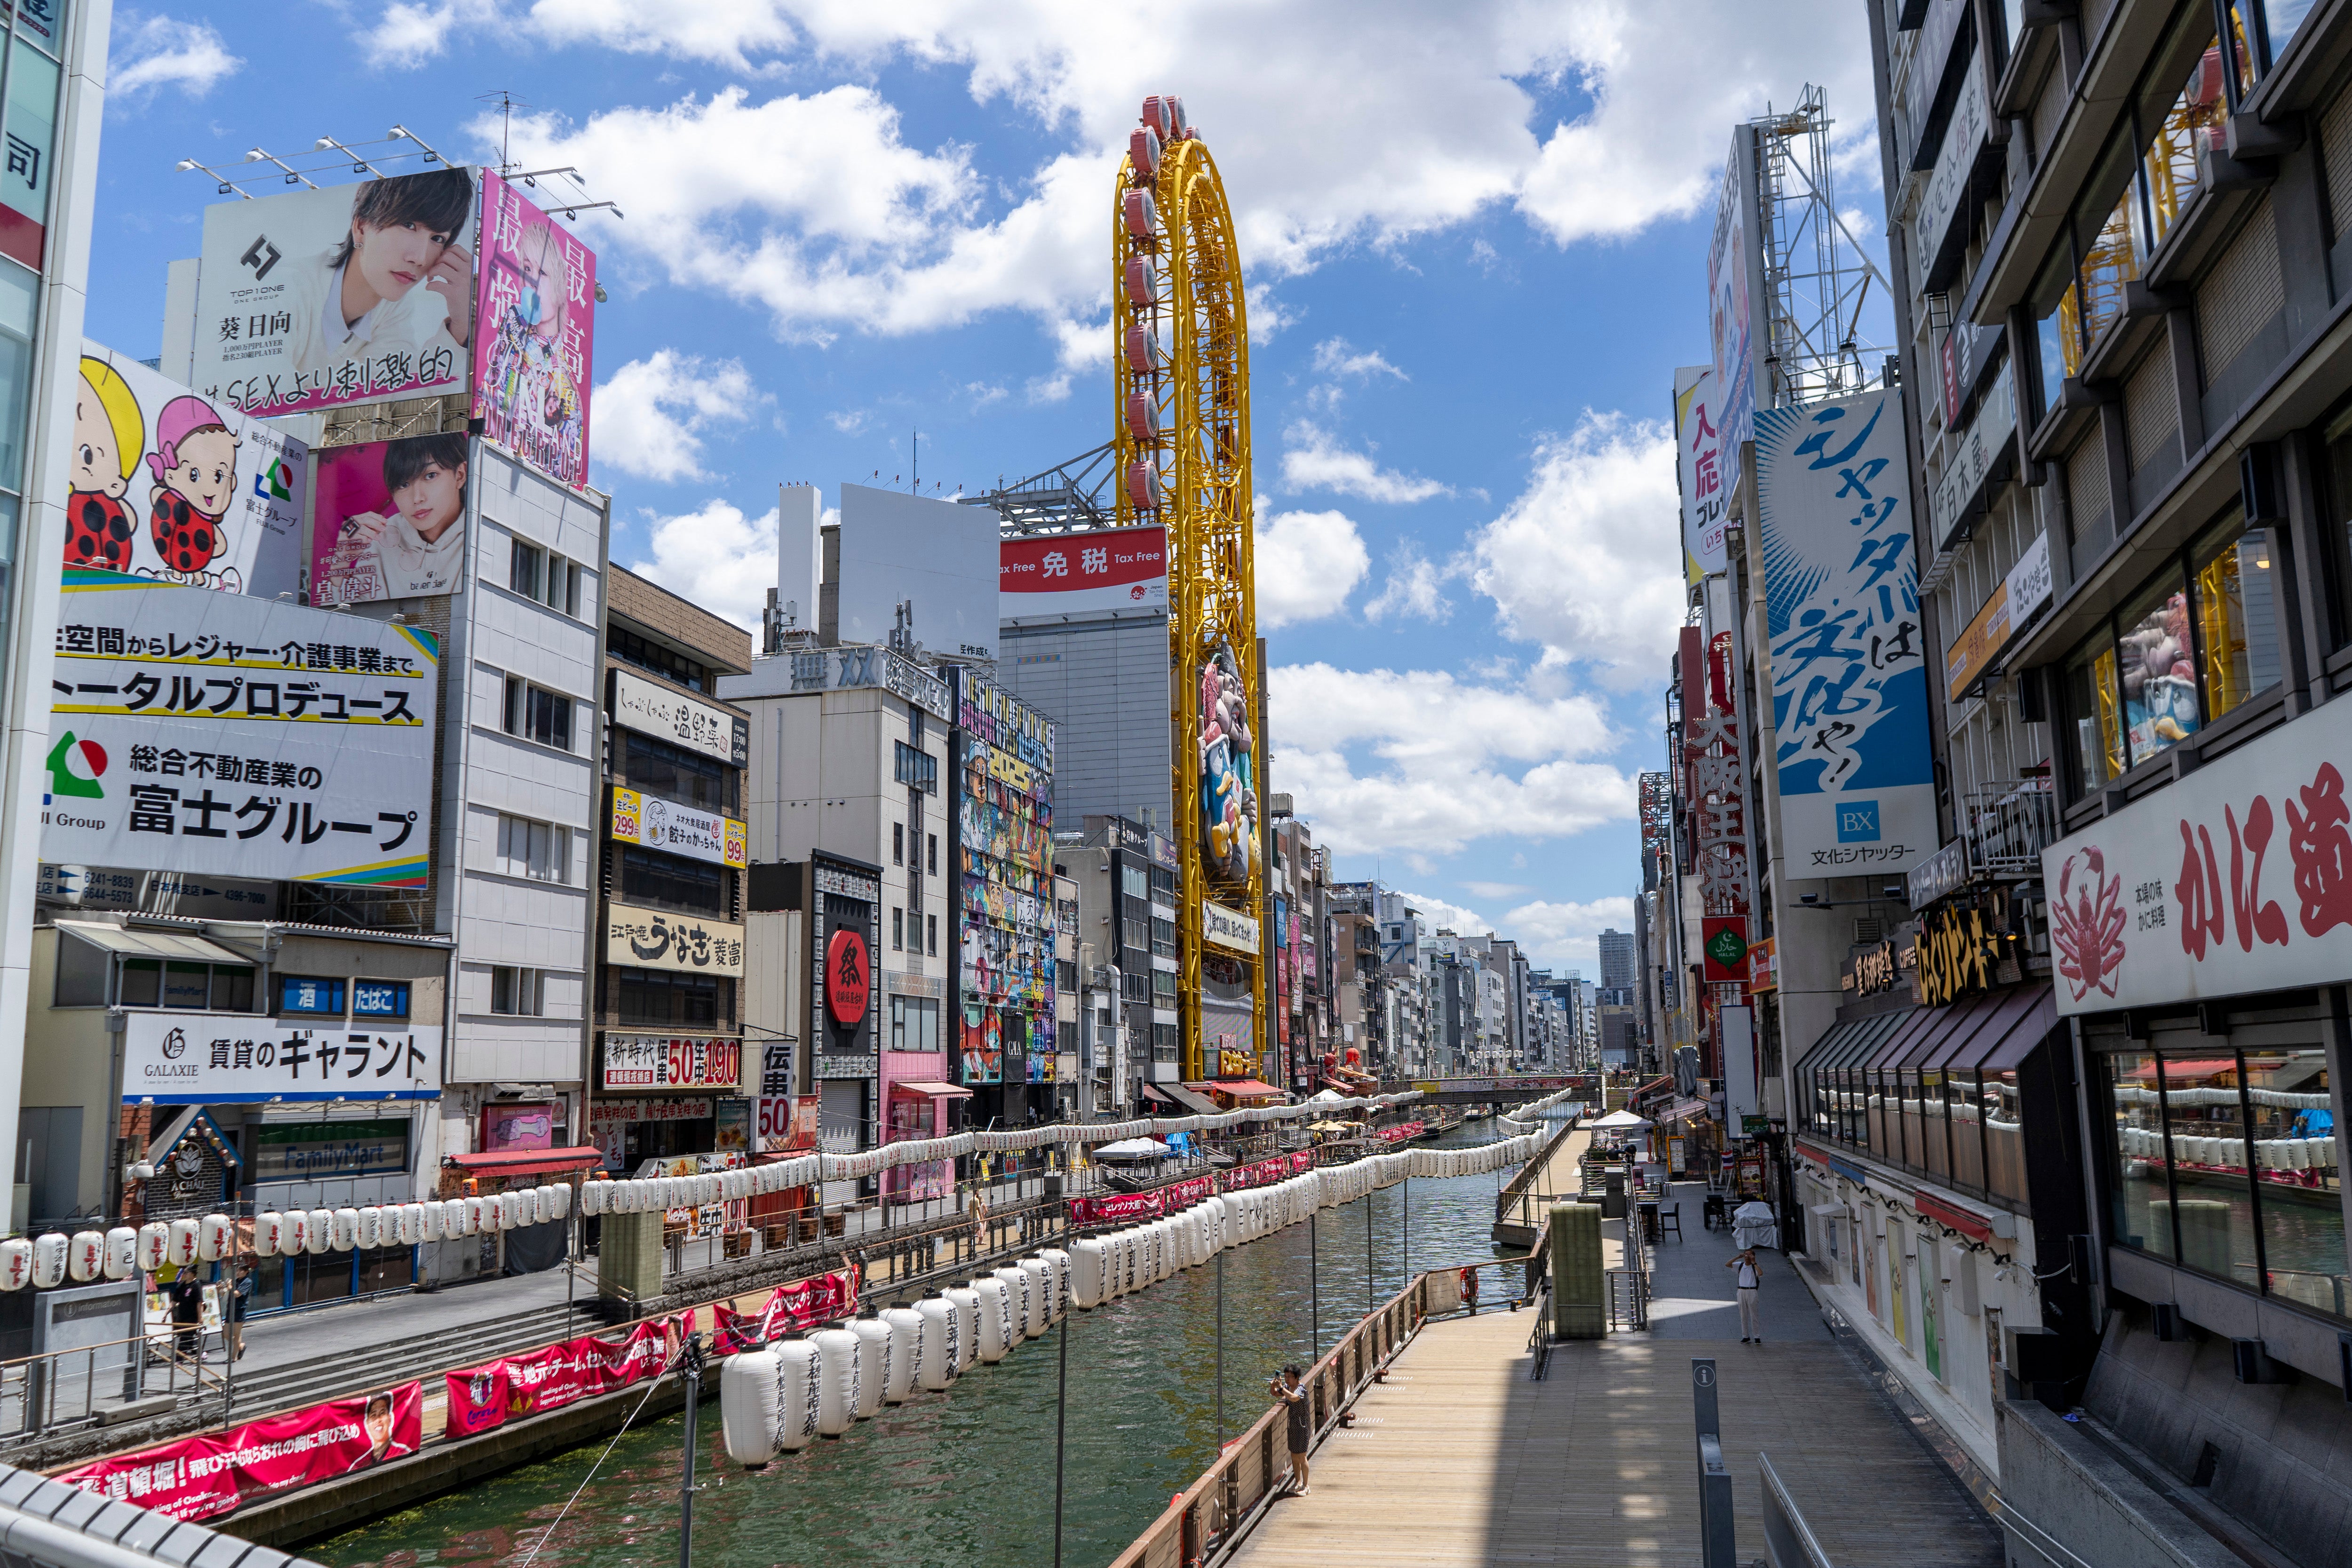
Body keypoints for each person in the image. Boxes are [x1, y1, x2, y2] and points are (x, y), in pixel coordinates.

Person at [1269, 1365, 1311, 1495]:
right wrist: (1273, 1386)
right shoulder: (1288, 1388)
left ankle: (1306, 1485)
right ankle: (1298, 1482)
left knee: (1302, 1456)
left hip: (1302, 1426)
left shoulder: (1301, 1388)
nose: (1287, 1379)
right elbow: (1275, 1393)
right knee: (1294, 1455)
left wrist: (1281, 1387)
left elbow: (1294, 1398)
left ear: (1297, 1377)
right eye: (1285, 1377)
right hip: (1292, 1425)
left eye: (1289, 1377)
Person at [166, 1265, 204, 1360]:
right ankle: (199, 1352)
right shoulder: (181, 1286)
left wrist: (200, 1317)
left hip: (192, 1316)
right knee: (189, 1336)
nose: (184, 1275)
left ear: (192, 1274)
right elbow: (174, 1301)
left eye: (186, 1273)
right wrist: (166, 1313)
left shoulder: (196, 1285)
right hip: (182, 1315)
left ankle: (179, 1359)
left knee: (185, 1337)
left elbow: (199, 1303)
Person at [1727, 1246, 1764, 1343]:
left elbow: (1760, 1273)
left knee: (1754, 1315)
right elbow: (1728, 1264)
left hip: (1752, 1291)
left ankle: (1757, 1337)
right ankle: (1746, 1336)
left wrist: (1754, 1262)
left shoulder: (1754, 1267)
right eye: (1746, 1254)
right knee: (1743, 1315)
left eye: (1750, 1255)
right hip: (1741, 1291)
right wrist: (1737, 1257)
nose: (1747, 1256)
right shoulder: (1740, 1265)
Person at [227, 1257, 255, 1361]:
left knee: (236, 1334)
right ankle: (241, 1346)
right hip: (230, 1310)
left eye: (240, 1271)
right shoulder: (235, 1281)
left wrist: (230, 1287)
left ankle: (232, 1358)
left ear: (246, 1272)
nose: (238, 1272)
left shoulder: (248, 1282)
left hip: (240, 1310)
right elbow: (225, 1293)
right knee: (226, 1334)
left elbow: (237, 1294)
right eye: (237, 1270)